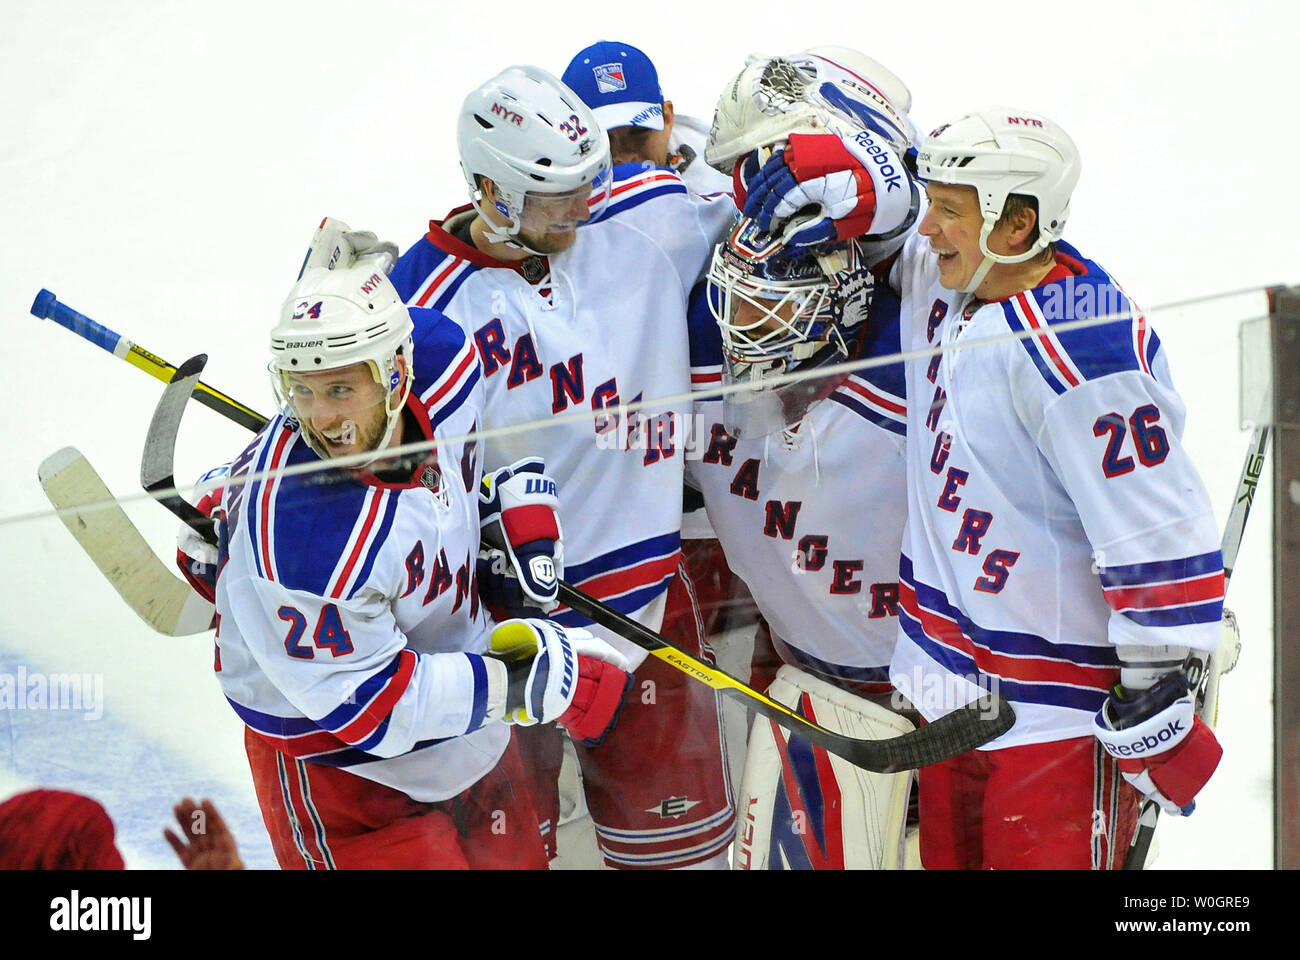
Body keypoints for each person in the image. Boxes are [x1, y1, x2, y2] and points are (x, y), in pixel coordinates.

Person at [742, 108, 1226, 868]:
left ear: (1017, 225)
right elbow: (891, 216)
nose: (929, 228)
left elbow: (1157, 533)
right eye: (933, 203)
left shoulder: (1082, 349)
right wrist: (856, 173)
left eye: (951, 211)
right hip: (949, 708)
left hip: (1055, 726)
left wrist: (1155, 689)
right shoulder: (950, 284)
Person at [389, 64, 737, 869]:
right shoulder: (422, 304)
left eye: (590, 183)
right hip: (510, 642)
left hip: (650, 613)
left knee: (683, 859)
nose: (583, 208)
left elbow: (796, 210)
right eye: (555, 197)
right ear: (488, 189)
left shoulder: (649, 213)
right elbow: (361, 450)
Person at [210, 236, 631, 869]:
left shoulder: (444, 359)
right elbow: (372, 707)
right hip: (338, 764)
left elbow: (443, 481)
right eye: (301, 392)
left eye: (341, 390)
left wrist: (489, 514)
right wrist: (517, 680)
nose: (320, 420)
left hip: (460, 726)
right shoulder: (307, 542)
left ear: (398, 373)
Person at [684, 49, 921, 869]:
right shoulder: (696, 301)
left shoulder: (934, 327)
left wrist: (1159, 631)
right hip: (813, 692)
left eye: (772, 162)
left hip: (959, 697)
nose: (747, 333)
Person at [562, 40, 733, 195]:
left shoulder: (718, 170)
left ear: (667, 119)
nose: (624, 157)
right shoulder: (549, 187)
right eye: (604, 141)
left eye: (639, 132)